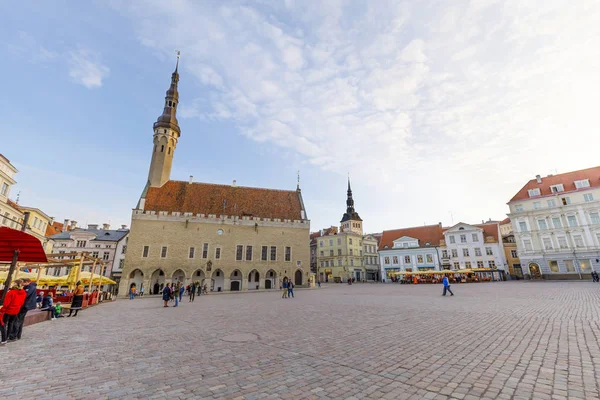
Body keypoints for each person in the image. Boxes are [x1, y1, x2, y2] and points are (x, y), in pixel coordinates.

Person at [1, 280, 26, 345]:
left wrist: (2, 310)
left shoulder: (11, 292)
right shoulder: (23, 292)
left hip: (8, 310)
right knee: (11, 323)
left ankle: (4, 339)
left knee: (3, 324)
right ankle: (7, 337)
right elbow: (22, 302)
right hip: (16, 310)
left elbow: (6, 303)